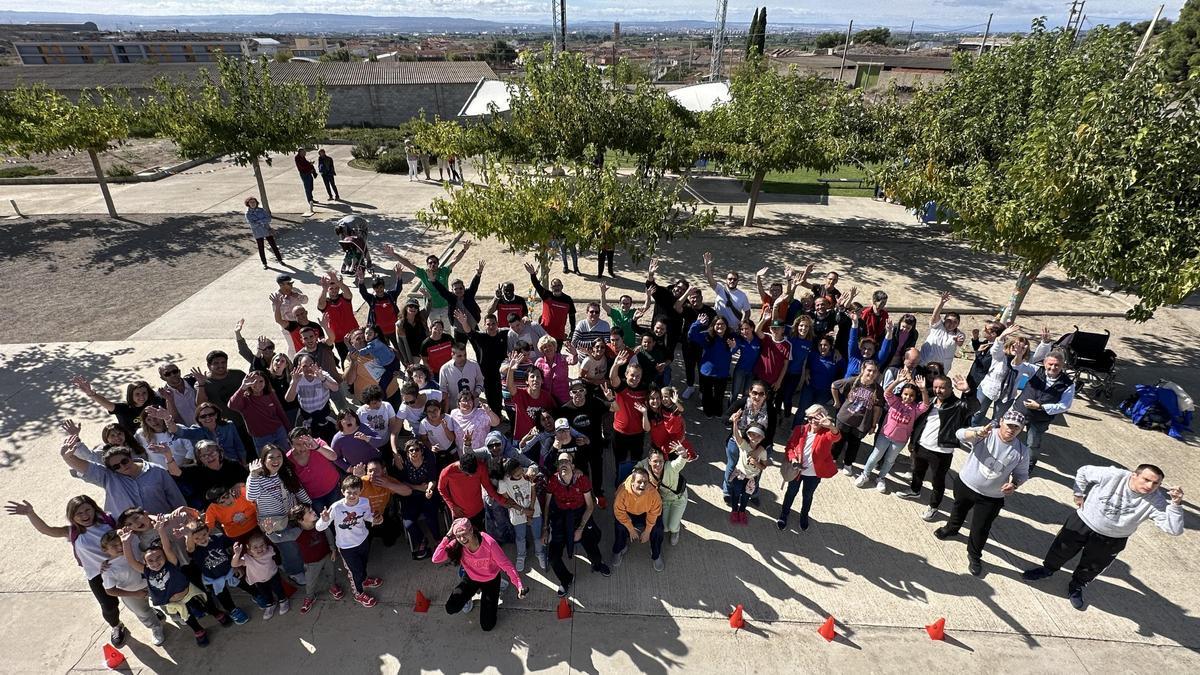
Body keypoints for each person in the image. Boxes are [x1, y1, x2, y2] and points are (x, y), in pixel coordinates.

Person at [1021, 464, 1185, 610]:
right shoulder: (1115, 475)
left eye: (1156, 483)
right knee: (1060, 550)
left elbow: (1173, 529)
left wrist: (1176, 505)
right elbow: (1083, 471)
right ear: (1134, 475)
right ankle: (1047, 570)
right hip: (1083, 522)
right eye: (1146, 480)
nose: (1150, 486)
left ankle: (1076, 587)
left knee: (1092, 566)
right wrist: (1078, 493)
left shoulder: (1156, 501)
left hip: (1112, 538)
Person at [4, 496, 135, 647]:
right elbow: (47, 530)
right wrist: (30, 513)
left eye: (87, 510)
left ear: (94, 508)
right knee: (109, 606)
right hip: (97, 575)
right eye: (79, 513)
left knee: (137, 592)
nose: (85, 516)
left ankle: (146, 614)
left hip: (122, 566)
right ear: (71, 516)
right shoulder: (72, 532)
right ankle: (116, 626)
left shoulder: (109, 521)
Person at [933, 410, 1031, 576]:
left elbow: (1022, 474)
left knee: (981, 527)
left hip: (992, 497)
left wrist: (1013, 485)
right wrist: (975, 433)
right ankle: (951, 528)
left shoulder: (1022, 451)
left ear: (1021, 430)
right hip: (966, 484)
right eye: (1009, 425)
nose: (1011, 430)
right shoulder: (986, 433)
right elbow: (959, 434)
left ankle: (974, 555)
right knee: (958, 509)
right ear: (1001, 421)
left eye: (1017, 427)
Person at [120, 525, 228, 646]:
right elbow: (131, 561)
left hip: (189, 593)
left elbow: (167, 548)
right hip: (174, 602)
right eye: (150, 560)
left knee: (205, 604)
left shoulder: (171, 563)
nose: (155, 562)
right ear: (145, 562)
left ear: (165, 557)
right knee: (187, 617)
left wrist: (161, 530)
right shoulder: (147, 571)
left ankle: (217, 613)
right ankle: (198, 630)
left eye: (158, 557)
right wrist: (125, 542)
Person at [899, 374, 975, 521]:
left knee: (937, 481)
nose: (938, 390)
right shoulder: (931, 401)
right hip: (922, 445)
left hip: (941, 451)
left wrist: (968, 392)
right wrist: (914, 442)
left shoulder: (957, 405)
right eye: (935, 387)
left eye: (942, 387)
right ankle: (914, 490)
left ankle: (933, 507)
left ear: (950, 388)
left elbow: (973, 407)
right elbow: (920, 423)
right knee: (917, 471)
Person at [432, 518, 528, 631]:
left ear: (471, 530)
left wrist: (519, 585)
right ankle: (468, 598)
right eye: (458, 536)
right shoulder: (457, 544)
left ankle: (499, 584)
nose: (462, 539)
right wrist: (448, 536)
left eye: (464, 534)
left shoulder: (489, 543)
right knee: (451, 607)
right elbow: (436, 558)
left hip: (491, 580)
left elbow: (506, 565)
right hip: (471, 578)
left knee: (487, 626)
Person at [60, 435, 185, 516]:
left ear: (130, 457)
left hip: (163, 527)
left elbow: (176, 498)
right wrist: (67, 458)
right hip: (129, 537)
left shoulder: (157, 471)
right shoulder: (109, 477)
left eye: (124, 461)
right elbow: (87, 468)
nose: (122, 466)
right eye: (116, 466)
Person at [244, 445, 311, 583]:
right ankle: (294, 572)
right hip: (275, 522)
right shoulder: (257, 476)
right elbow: (251, 497)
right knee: (288, 548)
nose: (275, 460)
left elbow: (297, 489)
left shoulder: (286, 471)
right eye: (271, 457)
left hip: (292, 515)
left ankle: (299, 565)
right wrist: (253, 475)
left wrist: (308, 504)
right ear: (263, 459)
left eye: (278, 456)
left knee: (296, 543)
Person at [316, 475, 384, 608]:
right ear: (343, 492)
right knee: (354, 572)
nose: (352, 495)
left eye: (355, 492)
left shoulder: (364, 502)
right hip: (347, 547)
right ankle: (358, 593)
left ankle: (364, 580)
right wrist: (324, 520)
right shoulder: (336, 507)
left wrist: (376, 520)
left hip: (363, 540)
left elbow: (368, 517)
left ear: (360, 491)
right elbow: (319, 528)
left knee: (363, 565)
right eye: (349, 492)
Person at [857, 373, 930, 493]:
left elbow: (926, 405)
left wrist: (923, 389)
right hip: (884, 435)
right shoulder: (895, 402)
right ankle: (865, 474)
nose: (908, 397)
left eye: (911, 395)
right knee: (876, 456)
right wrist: (897, 381)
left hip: (900, 440)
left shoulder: (915, 409)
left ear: (915, 396)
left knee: (890, 460)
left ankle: (881, 478)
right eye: (905, 394)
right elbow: (887, 393)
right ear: (901, 394)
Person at [96, 530, 167, 645]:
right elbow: (110, 590)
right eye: (114, 546)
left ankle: (175, 614)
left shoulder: (132, 547)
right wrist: (135, 594)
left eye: (121, 543)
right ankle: (156, 627)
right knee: (143, 612)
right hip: (131, 593)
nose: (120, 547)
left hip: (152, 583)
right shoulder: (108, 569)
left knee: (165, 601)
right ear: (105, 550)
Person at [777, 404, 840, 530]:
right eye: (810, 418)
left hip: (814, 474)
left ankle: (804, 515)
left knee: (807, 495)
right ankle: (784, 514)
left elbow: (836, 437)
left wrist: (831, 426)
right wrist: (793, 458)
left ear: (824, 418)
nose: (813, 421)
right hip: (797, 471)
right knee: (791, 493)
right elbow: (790, 446)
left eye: (817, 418)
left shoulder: (827, 433)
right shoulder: (799, 429)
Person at [974, 324, 1052, 425]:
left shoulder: (1024, 364)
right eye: (1015, 345)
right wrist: (1002, 335)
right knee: (978, 413)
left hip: (1007, 396)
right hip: (987, 390)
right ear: (1009, 345)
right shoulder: (1000, 356)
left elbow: (1035, 359)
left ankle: (991, 437)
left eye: (1021, 346)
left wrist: (1045, 344)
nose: (1017, 348)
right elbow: (995, 349)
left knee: (997, 420)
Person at [1019, 348, 1075, 470]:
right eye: (1050, 364)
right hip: (1021, 411)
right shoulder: (1035, 370)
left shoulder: (1068, 384)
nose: (1053, 367)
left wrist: (1041, 407)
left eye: (1057, 365)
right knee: (1010, 435)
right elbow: (1018, 364)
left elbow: (1064, 405)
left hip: (1040, 418)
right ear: (1045, 363)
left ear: (1062, 365)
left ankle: (1028, 467)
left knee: (1032, 444)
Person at [829, 361, 885, 477]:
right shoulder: (853, 381)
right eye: (869, 370)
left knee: (854, 444)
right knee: (839, 440)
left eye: (874, 371)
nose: (871, 373)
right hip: (845, 418)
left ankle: (848, 464)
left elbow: (877, 409)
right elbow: (834, 385)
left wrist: (874, 424)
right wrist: (837, 401)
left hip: (862, 422)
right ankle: (832, 459)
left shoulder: (878, 390)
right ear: (863, 370)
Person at [290, 504, 344, 614]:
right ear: (300, 520)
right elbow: (278, 538)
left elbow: (328, 534)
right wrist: (270, 531)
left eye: (312, 510)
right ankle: (310, 597)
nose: (313, 512)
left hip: (327, 556)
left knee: (331, 573)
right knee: (310, 582)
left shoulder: (319, 522)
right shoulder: (296, 532)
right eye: (309, 512)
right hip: (311, 563)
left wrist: (333, 549)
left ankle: (333, 586)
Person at [70, 376, 164, 436]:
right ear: (131, 395)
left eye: (144, 393)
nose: (142, 397)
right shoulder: (124, 408)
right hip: (133, 441)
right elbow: (107, 404)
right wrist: (91, 393)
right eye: (137, 394)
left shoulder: (155, 402)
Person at [611, 467, 665, 571]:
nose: (642, 485)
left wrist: (647, 532)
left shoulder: (653, 494)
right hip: (628, 513)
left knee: (658, 529)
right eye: (639, 482)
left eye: (645, 482)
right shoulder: (622, 493)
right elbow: (619, 513)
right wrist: (631, 529)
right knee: (620, 527)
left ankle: (655, 553)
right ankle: (619, 549)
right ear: (632, 483)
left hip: (646, 512)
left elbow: (654, 513)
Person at [638, 443, 691, 546]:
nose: (658, 464)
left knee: (672, 527)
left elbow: (680, 461)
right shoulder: (646, 466)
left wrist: (683, 454)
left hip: (678, 499)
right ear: (649, 461)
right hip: (664, 500)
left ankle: (676, 530)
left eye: (661, 461)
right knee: (665, 528)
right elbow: (637, 467)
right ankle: (675, 522)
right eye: (655, 461)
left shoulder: (671, 467)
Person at [497, 458, 545, 572]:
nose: (521, 474)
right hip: (518, 514)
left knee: (537, 535)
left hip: (534, 510)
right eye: (517, 474)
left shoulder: (526, 473)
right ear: (509, 474)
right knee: (520, 537)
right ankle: (521, 555)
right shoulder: (503, 483)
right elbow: (508, 501)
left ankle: (540, 553)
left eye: (521, 470)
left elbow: (533, 491)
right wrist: (524, 511)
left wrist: (531, 511)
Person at [438, 452, 504, 533]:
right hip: (460, 514)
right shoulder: (447, 472)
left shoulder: (481, 467)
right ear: (461, 467)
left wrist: (501, 500)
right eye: (468, 474)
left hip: (478, 510)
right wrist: (452, 506)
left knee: (480, 536)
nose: (471, 476)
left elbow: (487, 486)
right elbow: (441, 488)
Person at [228, 370, 291, 455]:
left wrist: (289, 430)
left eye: (261, 381)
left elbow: (280, 412)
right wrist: (243, 387)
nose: (257, 384)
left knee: (287, 455)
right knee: (267, 461)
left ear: (265, 382)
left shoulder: (270, 394)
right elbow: (231, 405)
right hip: (261, 437)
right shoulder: (245, 399)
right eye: (253, 381)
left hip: (279, 432)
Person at [231, 533, 290, 620]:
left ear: (266, 545)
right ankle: (270, 604)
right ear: (249, 551)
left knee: (278, 589)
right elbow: (234, 564)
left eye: (262, 545)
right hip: (259, 581)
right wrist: (237, 554)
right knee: (265, 593)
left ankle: (283, 600)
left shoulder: (270, 551)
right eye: (255, 547)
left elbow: (277, 548)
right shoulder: (247, 559)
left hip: (273, 575)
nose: (259, 548)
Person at [688, 313, 736, 417]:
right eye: (717, 324)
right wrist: (697, 323)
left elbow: (737, 346)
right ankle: (708, 412)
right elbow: (692, 334)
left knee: (719, 394)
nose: (720, 326)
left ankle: (718, 411)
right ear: (713, 326)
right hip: (707, 372)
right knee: (707, 394)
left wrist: (734, 347)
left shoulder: (731, 337)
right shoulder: (707, 336)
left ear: (726, 326)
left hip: (722, 373)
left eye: (723, 324)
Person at [285, 427, 343, 513]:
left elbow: (333, 456)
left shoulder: (318, 443)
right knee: (323, 522)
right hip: (314, 497)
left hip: (333, 488)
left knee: (339, 515)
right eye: (298, 444)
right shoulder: (289, 458)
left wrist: (317, 447)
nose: (302, 447)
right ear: (291, 444)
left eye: (305, 443)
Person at [728, 412, 769, 525]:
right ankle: (734, 511)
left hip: (751, 478)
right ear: (748, 434)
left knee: (746, 497)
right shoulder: (744, 445)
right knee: (736, 494)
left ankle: (742, 511)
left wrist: (756, 463)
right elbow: (737, 436)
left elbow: (764, 467)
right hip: (739, 475)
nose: (755, 438)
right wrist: (735, 422)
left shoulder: (763, 452)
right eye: (752, 434)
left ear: (762, 437)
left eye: (758, 435)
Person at [177, 402, 248, 464]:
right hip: (211, 466)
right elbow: (181, 432)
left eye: (211, 414)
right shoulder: (196, 431)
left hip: (233, 461)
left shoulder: (228, 425)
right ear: (199, 419)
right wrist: (168, 421)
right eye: (203, 416)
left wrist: (243, 463)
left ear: (216, 415)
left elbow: (239, 446)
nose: (207, 418)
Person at [525, 262, 577, 343]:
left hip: (559, 335)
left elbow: (572, 315)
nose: (556, 288)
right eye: (554, 286)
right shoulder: (546, 295)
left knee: (557, 355)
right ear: (551, 288)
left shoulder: (568, 299)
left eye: (558, 285)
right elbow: (536, 285)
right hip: (544, 334)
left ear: (562, 286)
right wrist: (532, 274)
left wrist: (572, 330)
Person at [918, 291, 967, 374]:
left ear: (958, 324)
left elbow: (960, 342)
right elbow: (935, 315)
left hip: (941, 369)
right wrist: (941, 302)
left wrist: (958, 341)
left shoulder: (959, 334)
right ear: (944, 320)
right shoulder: (937, 326)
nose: (951, 324)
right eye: (949, 321)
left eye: (955, 322)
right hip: (924, 364)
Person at [703, 251, 751, 327]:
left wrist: (742, 326)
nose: (732, 281)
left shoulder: (742, 295)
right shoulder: (720, 289)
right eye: (730, 279)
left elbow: (747, 312)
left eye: (735, 279)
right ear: (726, 280)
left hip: (734, 329)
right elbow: (710, 280)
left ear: (738, 281)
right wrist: (707, 266)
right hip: (719, 328)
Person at [244, 196, 284, 269]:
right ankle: (264, 263)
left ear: (257, 203)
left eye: (254, 202)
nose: (253, 204)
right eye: (251, 202)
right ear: (248, 204)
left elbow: (268, 219)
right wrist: (262, 221)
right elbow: (252, 224)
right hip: (258, 232)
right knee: (261, 248)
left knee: (274, 246)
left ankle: (280, 260)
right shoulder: (247, 213)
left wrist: (258, 221)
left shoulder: (261, 210)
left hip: (267, 230)